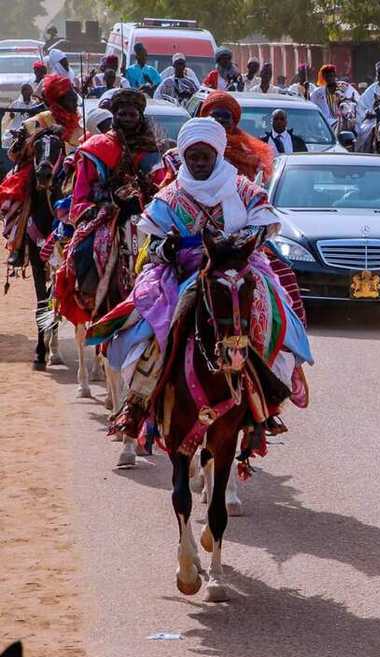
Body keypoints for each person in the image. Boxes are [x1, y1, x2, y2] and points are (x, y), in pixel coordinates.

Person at [89, 116, 311, 439]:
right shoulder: (170, 197)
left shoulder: (243, 189)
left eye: (204, 157)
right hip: (184, 272)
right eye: (192, 157)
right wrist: (168, 248)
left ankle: (266, 402)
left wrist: (242, 241)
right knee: (153, 328)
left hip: (239, 266)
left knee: (271, 316)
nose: (198, 163)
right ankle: (139, 402)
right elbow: (150, 245)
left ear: (217, 155)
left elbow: (266, 225)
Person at [57, 89, 165, 327]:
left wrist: (147, 193)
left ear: (140, 117)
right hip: (106, 213)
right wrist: (105, 203)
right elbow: (82, 192)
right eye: (122, 114)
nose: (128, 118)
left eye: (132, 114)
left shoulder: (151, 150)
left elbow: (162, 184)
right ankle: (89, 297)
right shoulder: (96, 147)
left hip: (147, 213)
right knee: (85, 250)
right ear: (115, 116)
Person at [0, 74, 81, 369]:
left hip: (70, 186)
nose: (74, 100)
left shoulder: (77, 125)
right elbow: (13, 149)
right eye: (69, 97)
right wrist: (33, 140)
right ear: (57, 100)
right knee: (18, 197)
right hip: (39, 180)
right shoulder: (40, 120)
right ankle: (18, 245)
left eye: (73, 96)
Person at [198, 91, 276, 182]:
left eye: (225, 116)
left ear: (233, 122)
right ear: (205, 117)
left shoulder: (247, 152)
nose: (220, 120)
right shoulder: (193, 144)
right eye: (215, 115)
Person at [310, 64, 357, 130]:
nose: (329, 78)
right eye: (327, 76)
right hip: (327, 124)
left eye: (331, 76)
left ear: (335, 75)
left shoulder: (345, 87)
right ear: (324, 77)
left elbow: (355, 101)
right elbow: (313, 108)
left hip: (346, 121)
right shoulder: (317, 93)